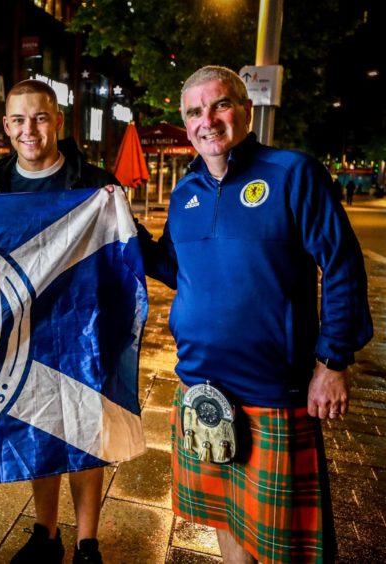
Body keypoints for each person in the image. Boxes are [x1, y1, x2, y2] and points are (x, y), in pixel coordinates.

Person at [136, 65, 372, 563]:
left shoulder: (294, 173)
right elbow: (178, 270)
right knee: (224, 516)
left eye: (220, 105)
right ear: (185, 121)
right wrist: (124, 231)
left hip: (274, 391)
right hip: (200, 386)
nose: (209, 120)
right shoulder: (184, 192)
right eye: (195, 111)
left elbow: (343, 264)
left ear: (245, 110)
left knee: (284, 545)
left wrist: (332, 363)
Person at [0, 79, 121, 564]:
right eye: (18, 120)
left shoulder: (94, 182)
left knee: (85, 434)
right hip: (24, 333)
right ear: (6, 126)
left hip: (84, 330)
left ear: (58, 120)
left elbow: (127, 253)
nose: (29, 129)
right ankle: (45, 533)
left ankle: (87, 542)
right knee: (41, 432)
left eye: (39, 117)